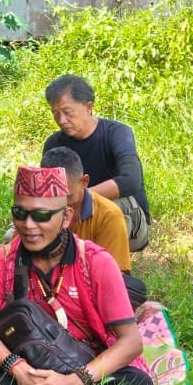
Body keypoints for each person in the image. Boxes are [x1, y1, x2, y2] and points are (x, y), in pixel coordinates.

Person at [0, 165, 153, 385]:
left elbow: (131, 342)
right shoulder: (1, 260)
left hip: (86, 365)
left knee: (137, 383)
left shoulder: (96, 261)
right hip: (28, 362)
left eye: (41, 216)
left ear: (66, 217)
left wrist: (75, 381)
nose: (28, 225)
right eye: (20, 213)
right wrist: (19, 370)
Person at [42, 74, 151, 252]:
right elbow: (47, 191)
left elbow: (131, 181)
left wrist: (80, 198)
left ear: (88, 107)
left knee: (111, 207)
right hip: (73, 218)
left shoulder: (117, 133)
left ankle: (108, 265)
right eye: (56, 114)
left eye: (68, 112)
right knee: (20, 229)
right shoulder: (54, 143)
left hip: (128, 221)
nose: (61, 120)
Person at [41, 146, 147, 307]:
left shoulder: (109, 216)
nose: (60, 203)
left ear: (84, 182)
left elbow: (114, 281)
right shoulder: (34, 212)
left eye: (68, 196)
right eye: (52, 195)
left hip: (88, 294)